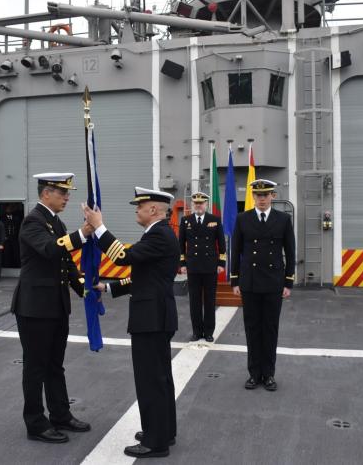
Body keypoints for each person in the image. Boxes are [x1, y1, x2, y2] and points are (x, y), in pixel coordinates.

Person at [85, 187, 180, 459]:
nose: (136, 210)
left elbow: (122, 257)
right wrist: (110, 288)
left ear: (153, 210)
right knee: (160, 379)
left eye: (139, 206)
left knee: (151, 381)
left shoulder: (159, 235)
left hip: (151, 319)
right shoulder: (159, 234)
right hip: (156, 316)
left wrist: (99, 226)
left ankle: (155, 442)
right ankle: (164, 431)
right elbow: (144, 275)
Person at [10, 173, 92, 444]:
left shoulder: (56, 222)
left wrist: (85, 290)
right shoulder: (33, 220)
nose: (67, 197)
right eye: (62, 193)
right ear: (46, 194)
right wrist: (82, 234)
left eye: (67, 193)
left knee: (55, 365)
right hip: (34, 308)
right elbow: (49, 250)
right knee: (35, 367)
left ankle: (60, 414)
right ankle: (35, 422)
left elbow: (66, 263)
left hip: (56, 306)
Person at [230, 179, 295, 392]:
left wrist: (288, 281)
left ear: (273, 196)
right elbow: (236, 250)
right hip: (250, 282)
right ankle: (253, 374)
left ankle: (268, 374)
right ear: (253, 197)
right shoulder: (243, 219)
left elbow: (290, 251)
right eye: (258, 195)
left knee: (270, 329)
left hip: (273, 283)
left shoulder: (283, 219)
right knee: (252, 329)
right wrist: (235, 280)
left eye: (266, 195)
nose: (262, 199)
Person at [178, 192, 226, 342]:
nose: (198, 206)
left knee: (210, 301)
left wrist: (221, 263)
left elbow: (222, 244)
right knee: (194, 301)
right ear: (193, 205)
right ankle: (197, 332)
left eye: (201, 203)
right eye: (196, 203)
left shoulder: (215, 220)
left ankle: (209, 332)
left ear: (206, 204)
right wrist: (182, 263)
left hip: (210, 266)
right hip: (193, 267)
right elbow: (180, 245)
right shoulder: (186, 221)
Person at [1, 204, 22, 268]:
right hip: (6, 240)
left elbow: (19, 228)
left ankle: (17, 266)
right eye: (8, 209)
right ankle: (7, 266)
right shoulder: (2, 219)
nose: (9, 210)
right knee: (7, 254)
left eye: (10, 209)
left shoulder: (17, 218)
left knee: (16, 253)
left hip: (15, 239)